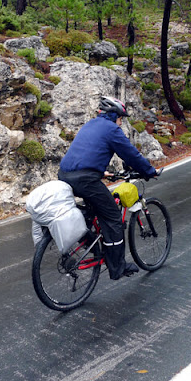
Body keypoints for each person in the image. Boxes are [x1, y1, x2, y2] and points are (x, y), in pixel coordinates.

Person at [58, 96, 158, 280]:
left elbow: (85, 153)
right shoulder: (112, 129)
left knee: (94, 211)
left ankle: (90, 242)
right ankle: (117, 267)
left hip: (65, 175)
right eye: (121, 118)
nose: (121, 123)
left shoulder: (90, 125)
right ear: (113, 116)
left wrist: (100, 172)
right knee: (113, 217)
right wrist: (149, 171)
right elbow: (131, 155)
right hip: (86, 179)